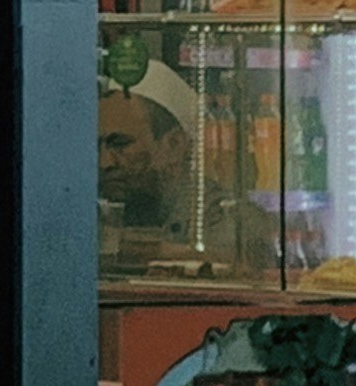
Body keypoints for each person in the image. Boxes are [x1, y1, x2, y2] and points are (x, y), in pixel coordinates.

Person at [98, 59, 288, 276]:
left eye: (120, 145)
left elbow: (238, 267)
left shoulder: (230, 217)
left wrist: (147, 252)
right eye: (97, 147)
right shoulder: (98, 215)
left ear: (174, 145)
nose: (104, 163)